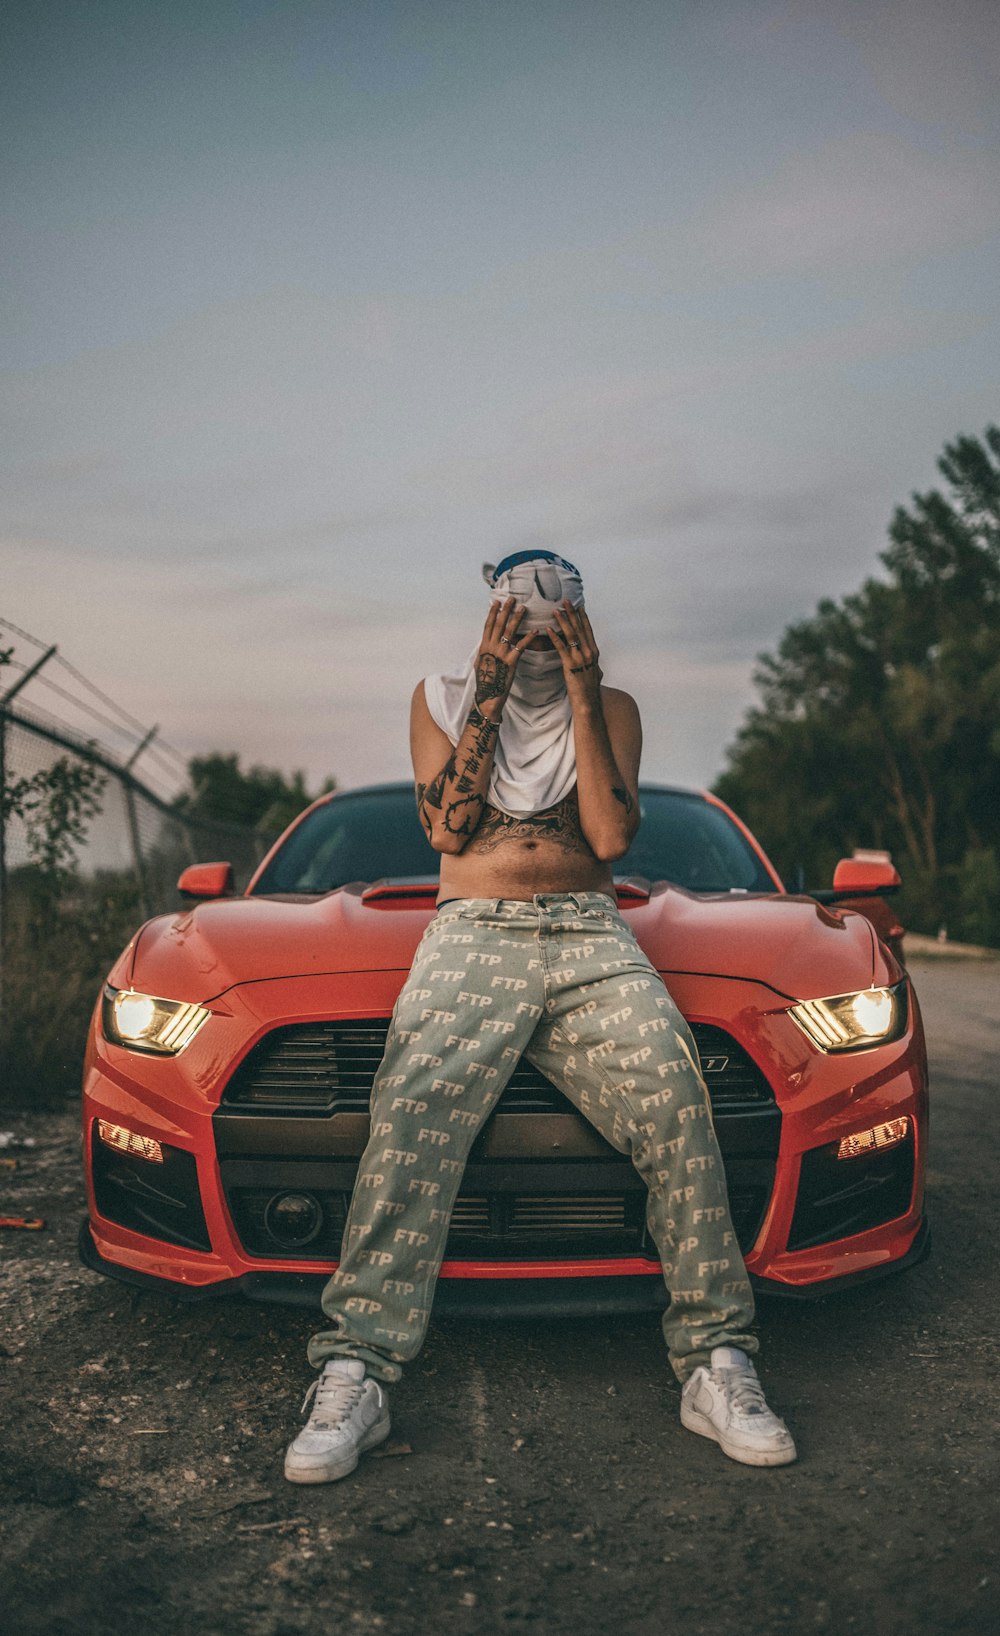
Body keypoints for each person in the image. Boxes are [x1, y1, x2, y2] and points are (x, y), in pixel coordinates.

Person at [284, 551, 796, 1483]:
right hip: (472, 929)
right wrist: (485, 689)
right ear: (490, 621)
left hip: (590, 931)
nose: (533, 643)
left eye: (552, 626)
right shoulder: (437, 697)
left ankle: (715, 1360)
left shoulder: (616, 708)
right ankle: (356, 1367)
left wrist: (588, 690)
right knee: (411, 1110)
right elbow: (447, 827)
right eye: (518, 625)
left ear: (580, 626)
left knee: (677, 1099)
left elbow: (607, 837)